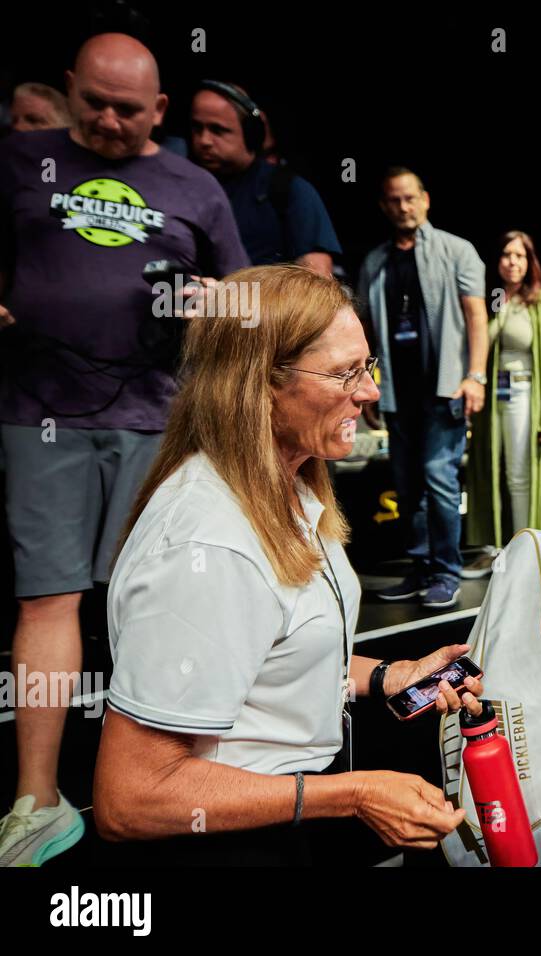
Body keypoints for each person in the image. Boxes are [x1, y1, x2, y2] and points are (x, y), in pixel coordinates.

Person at [91, 265, 483, 865]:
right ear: (260, 384)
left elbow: (269, 652)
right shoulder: (208, 546)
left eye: (367, 366)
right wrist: (353, 794)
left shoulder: (290, 488)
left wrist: (390, 674)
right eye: (344, 372)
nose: (370, 391)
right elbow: (132, 796)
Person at [0, 33, 249, 867]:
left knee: (158, 597)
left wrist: (216, 302)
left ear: (161, 111)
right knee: (48, 597)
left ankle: (166, 775)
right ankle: (36, 798)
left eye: (129, 110)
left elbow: (250, 306)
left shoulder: (195, 187)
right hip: (41, 414)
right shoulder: (19, 159)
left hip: (158, 417)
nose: (108, 121)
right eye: (94, 103)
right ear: (69, 87)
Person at [355, 167, 488, 607]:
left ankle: (446, 571)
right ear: (383, 205)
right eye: (394, 200)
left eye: (410, 198)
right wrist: (367, 381)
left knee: (439, 479)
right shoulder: (375, 262)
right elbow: (368, 330)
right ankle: (418, 568)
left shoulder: (457, 250)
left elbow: (475, 318)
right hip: (397, 392)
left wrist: (475, 376)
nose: (403, 207)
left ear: (426, 200)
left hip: (445, 389)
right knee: (407, 486)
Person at [464, 231, 541, 560]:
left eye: (520, 255)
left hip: (524, 393)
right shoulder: (491, 301)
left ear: (529, 261)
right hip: (493, 398)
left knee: (519, 475)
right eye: (507, 254)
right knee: (493, 470)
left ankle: (522, 549)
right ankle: (495, 547)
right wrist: (500, 307)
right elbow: (482, 342)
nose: (513, 261)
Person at [189, 81, 341, 276]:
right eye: (196, 128)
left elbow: (317, 283)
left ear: (252, 133)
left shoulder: (289, 190)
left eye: (218, 130)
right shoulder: (180, 186)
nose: (203, 141)